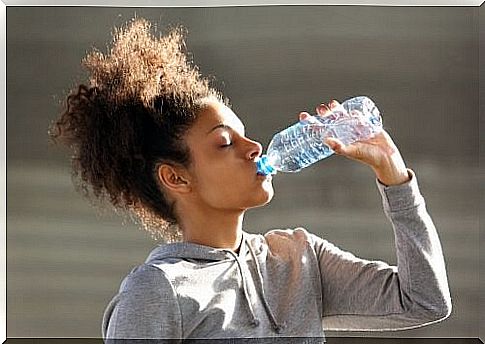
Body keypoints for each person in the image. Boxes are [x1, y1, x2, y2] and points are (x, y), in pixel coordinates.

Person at [49, 18, 451, 343]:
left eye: (244, 134)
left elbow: (424, 301)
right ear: (176, 177)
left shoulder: (299, 259)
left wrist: (395, 178)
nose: (254, 146)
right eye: (225, 143)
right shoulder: (157, 290)